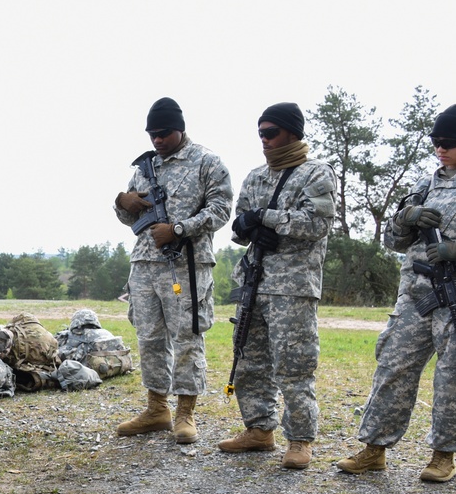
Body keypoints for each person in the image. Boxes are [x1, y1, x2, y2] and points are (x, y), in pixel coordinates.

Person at [340, 102, 456, 482]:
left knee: (455, 376)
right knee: (393, 365)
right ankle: (374, 449)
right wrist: (405, 219)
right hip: (417, 293)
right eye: (436, 141)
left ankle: (444, 456)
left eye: (449, 142)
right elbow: (393, 241)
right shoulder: (425, 183)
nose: (441, 148)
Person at [218, 102, 337, 470]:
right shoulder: (255, 176)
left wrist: (265, 218)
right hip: (254, 281)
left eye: (271, 133)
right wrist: (252, 226)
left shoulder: (317, 174)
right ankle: (259, 429)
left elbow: (316, 224)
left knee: (294, 365)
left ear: (292, 133)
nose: (264, 140)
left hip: (293, 288)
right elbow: (239, 225)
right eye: (261, 134)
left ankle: (300, 440)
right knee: (249, 360)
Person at [113, 97, 232, 443]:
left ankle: (185, 413)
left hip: (186, 264)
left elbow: (221, 210)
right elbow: (129, 218)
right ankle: (156, 409)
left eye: (164, 133)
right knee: (148, 337)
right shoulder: (145, 167)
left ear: (180, 129)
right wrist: (122, 202)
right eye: (152, 134)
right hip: (144, 263)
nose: (158, 140)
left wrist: (178, 229)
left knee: (187, 337)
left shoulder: (207, 162)